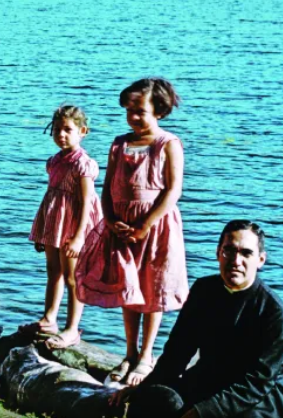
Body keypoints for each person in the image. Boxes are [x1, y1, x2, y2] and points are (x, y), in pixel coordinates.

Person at [114, 220, 283, 418]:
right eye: (229, 251)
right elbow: (177, 353)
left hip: (256, 395)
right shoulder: (203, 290)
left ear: (260, 260)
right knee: (152, 401)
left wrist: (203, 412)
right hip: (209, 379)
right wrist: (144, 389)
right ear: (218, 253)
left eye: (246, 253)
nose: (236, 261)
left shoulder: (273, 311)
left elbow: (259, 381)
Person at [76, 77, 187, 386]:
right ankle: (129, 352)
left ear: (159, 111)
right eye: (129, 110)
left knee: (152, 288)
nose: (133, 117)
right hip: (122, 226)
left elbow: (172, 191)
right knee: (128, 286)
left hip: (155, 226)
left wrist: (144, 225)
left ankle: (146, 356)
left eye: (140, 111)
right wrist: (111, 220)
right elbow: (108, 188)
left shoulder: (167, 144)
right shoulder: (119, 144)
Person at [21, 104, 101, 349]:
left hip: (75, 224)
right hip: (55, 223)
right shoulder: (55, 161)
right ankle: (49, 319)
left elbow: (87, 200)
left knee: (72, 277)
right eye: (57, 129)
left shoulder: (83, 164)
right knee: (53, 271)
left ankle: (72, 328)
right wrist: (42, 232)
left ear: (82, 132)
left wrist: (79, 237)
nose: (61, 134)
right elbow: (52, 198)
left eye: (67, 129)